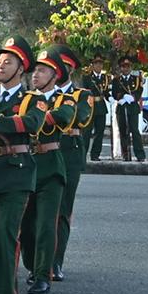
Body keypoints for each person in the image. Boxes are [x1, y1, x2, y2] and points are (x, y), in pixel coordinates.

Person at [0, 36, 47, 294]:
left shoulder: (33, 99)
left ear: (21, 68)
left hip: (17, 171)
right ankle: (1, 273)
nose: (1, 66)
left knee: (5, 232)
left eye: (9, 62)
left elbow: (32, 123)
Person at [19, 46, 75, 294]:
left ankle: (44, 273)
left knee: (45, 223)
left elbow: (64, 117)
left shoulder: (65, 99)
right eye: (35, 71)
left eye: (42, 71)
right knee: (27, 224)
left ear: (55, 76)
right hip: (26, 164)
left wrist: (36, 114)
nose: (36, 75)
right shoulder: (24, 99)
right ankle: (33, 266)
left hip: (50, 164)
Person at [53, 46, 93, 280]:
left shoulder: (81, 95)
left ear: (70, 69)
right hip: (40, 152)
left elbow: (80, 117)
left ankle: (55, 261)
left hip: (68, 153)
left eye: (63, 66)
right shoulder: (37, 95)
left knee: (61, 211)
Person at [111, 55, 146, 161]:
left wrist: (133, 97)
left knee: (135, 131)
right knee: (123, 132)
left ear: (131, 67)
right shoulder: (117, 80)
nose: (125, 69)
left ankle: (140, 155)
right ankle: (125, 155)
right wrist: (121, 97)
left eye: (128, 66)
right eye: (123, 66)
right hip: (122, 108)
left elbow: (139, 91)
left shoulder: (136, 79)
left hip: (132, 108)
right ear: (120, 68)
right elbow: (114, 93)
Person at [82, 55, 110, 160]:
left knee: (100, 132)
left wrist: (110, 98)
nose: (98, 65)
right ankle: (83, 155)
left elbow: (106, 92)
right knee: (86, 132)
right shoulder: (87, 77)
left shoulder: (105, 78)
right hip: (90, 107)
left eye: (100, 64)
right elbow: (84, 92)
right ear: (92, 65)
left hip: (101, 107)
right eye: (96, 63)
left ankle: (95, 155)